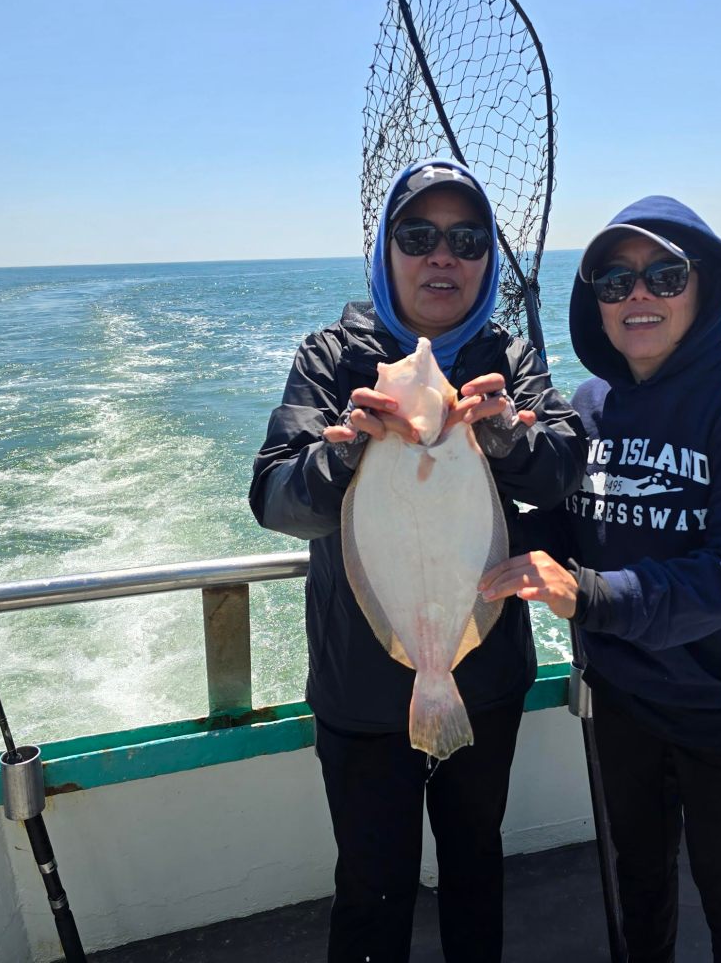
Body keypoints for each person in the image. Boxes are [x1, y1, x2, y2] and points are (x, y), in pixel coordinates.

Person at [249, 158, 585, 963]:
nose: (444, 255)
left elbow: (566, 462)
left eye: (467, 239)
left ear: (486, 261)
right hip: (362, 687)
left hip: (484, 670)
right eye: (419, 235)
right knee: (371, 883)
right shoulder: (333, 359)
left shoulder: (507, 358)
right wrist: (341, 456)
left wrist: (509, 434)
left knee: (476, 864)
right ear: (386, 252)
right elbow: (274, 496)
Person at [479, 195, 721, 962]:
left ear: (704, 288)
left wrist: (588, 595)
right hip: (627, 698)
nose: (638, 296)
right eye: (614, 280)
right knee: (638, 881)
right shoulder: (588, 406)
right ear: (592, 300)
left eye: (665, 276)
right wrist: (472, 476)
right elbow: (567, 527)